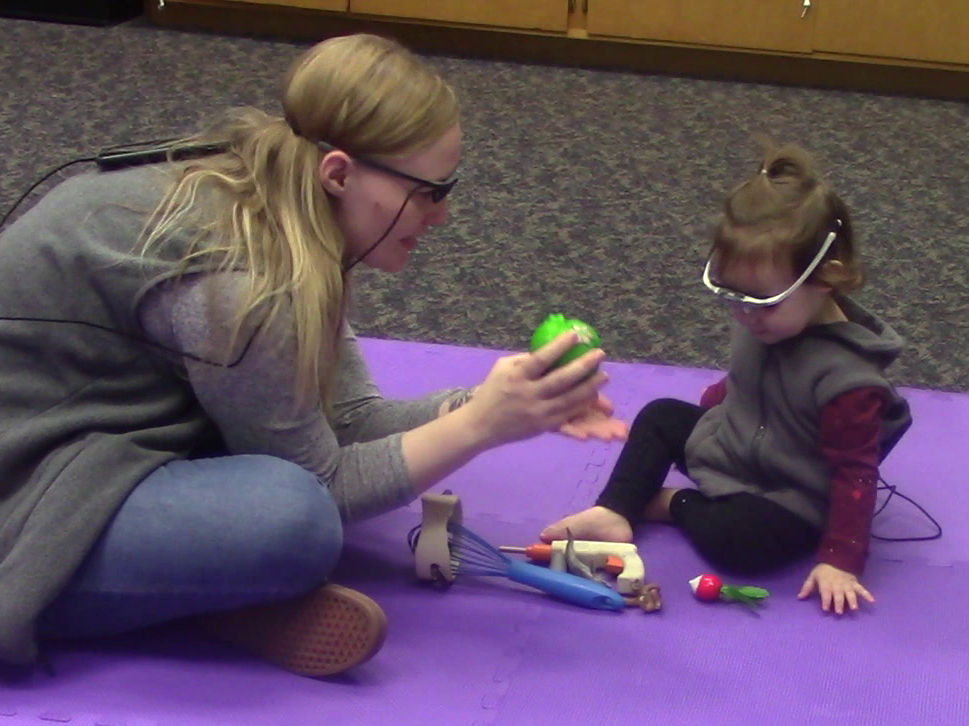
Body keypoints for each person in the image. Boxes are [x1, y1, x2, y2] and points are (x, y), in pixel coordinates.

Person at [0, 33, 627, 677]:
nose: (442, 216)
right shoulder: (240, 281)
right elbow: (323, 486)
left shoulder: (289, 209)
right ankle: (165, 599)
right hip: (23, 481)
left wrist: (499, 403)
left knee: (283, 499)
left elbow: (344, 420)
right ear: (339, 173)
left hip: (97, 435)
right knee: (294, 520)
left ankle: (199, 590)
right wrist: (481, 425)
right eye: (429, 192)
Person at [542, 143, 912, 616]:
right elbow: (744, 377)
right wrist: (718, 401)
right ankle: (616, 509)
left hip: (785, 496)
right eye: (734, 298)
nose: (744, 315)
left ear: (828, 278)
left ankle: (671, 504)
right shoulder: (767, 316)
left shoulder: (850, 383)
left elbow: (855, 475)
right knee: (660, 415)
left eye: (761, 302)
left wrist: (842, 559)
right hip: (736, 445)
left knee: (742, 545)